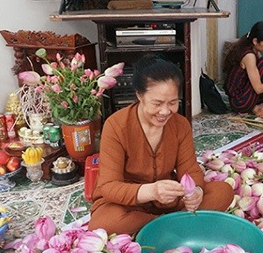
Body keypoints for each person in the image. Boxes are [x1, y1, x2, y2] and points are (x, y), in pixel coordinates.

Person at [89, 56, 235, 234]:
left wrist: (196, 191)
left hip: (169, 200)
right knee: (104, 223)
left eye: (173, 103)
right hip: (129, 203)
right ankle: (174, 225)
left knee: (223, 191)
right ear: (139, 95)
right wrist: (150, 191)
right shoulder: (116, 126)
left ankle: (161, 228)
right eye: (157, 103)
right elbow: (109, 186)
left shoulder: (180, 125)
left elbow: (189, 169)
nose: (165, 112)